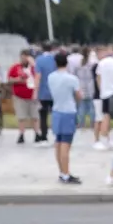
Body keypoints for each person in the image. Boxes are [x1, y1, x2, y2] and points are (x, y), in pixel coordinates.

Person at [47, 51, 82, 184]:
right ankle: (66, 174)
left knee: (58, 142)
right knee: (66, 144)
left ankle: (62, 172)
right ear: (66, 63)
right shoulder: (71, 79)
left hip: (56, 110)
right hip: (68, 111)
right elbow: (79, 96)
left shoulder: (51, 77)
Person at [95, 44, 113, 151]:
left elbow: (98, 77)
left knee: (106, 116)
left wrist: (101, 89)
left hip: (105, 93)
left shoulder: (102, 63)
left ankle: (104, 140)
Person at [8, 49, 40, 144]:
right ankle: (21, 134)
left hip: (33, 95)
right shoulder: (15, 67)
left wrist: (33, 65)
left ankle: (37, 133)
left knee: (35, 116)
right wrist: (18, 79)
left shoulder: (35, 67)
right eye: (22, 57)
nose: (23, 59)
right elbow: (10, 79)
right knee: (21, 116)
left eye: (26, 57)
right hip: (20, 96)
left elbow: (39, 77)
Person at [75, 47, 97, 131]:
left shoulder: (79, 63)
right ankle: (92, 124)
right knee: (91, 107)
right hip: (91, 85)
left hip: (81, 85)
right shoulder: (92, 63)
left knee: (81, 107)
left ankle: (81, 123)